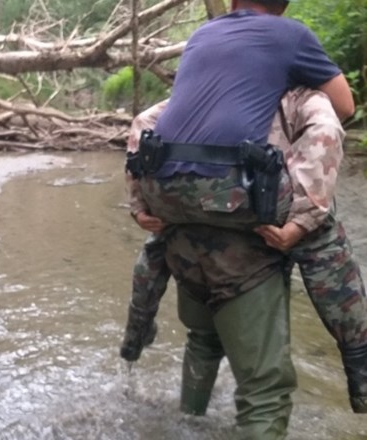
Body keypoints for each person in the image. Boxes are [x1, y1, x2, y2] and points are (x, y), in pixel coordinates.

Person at [120, 0, 366, 413]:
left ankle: (136, 333)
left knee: (162, 242)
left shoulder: (202, 35)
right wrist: (303, 219)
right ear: (284, 5)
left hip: (162, 188)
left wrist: (139, 204)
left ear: (233, 2)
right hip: (232, 190)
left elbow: (147, 120)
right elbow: (341, 110)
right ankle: (360, 362)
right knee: (323, 231)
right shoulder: (292, 35)